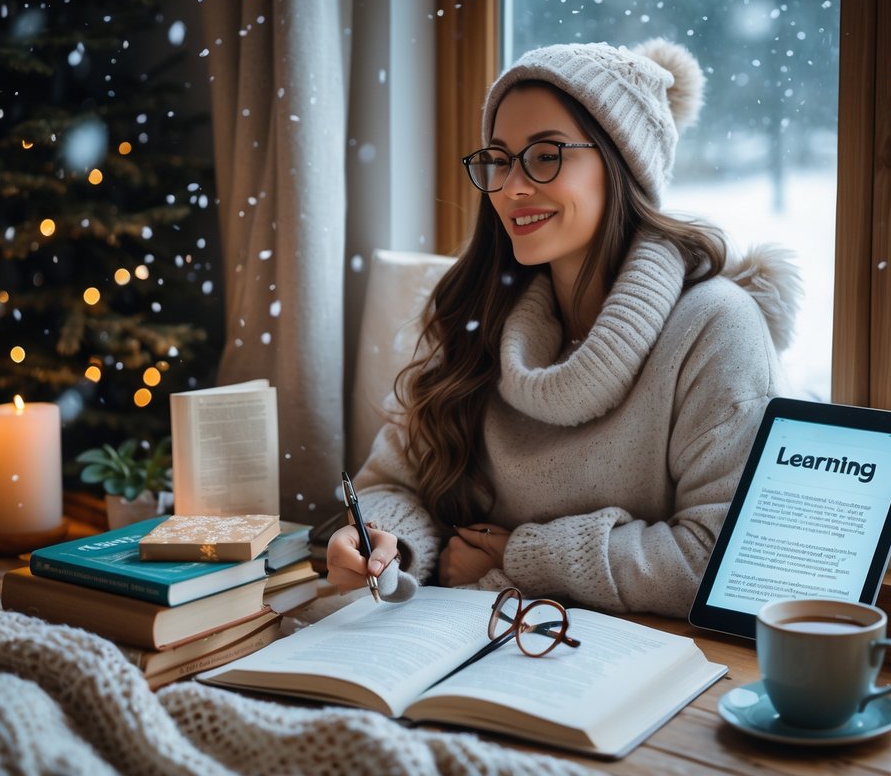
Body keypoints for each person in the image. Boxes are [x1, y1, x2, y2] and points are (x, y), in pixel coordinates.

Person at [327, 38, 800, 617]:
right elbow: (391, 482)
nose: (511, 186)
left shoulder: (715, 326)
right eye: (498, 159)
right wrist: (387, 542)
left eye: (546, 155)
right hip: (466, 639)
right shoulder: (477, 312)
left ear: (621, 163)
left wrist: (526, 559)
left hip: (634, 667)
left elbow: (723, 558)